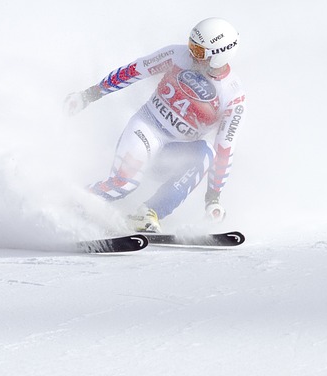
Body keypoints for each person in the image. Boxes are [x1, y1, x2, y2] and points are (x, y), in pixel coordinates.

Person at [64, 17, 247, 233]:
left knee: (206, 153)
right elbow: (134, 71)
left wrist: (213, 198)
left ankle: (148, 214)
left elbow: (224, 148)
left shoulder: (232, 95)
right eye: (191, 46)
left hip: (174, 154)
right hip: (147, 129)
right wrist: (88, 95)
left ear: (219, 55)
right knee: (124, 185)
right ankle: (73, 204)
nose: (191, 54)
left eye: (198, 51)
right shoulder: (176, 55)